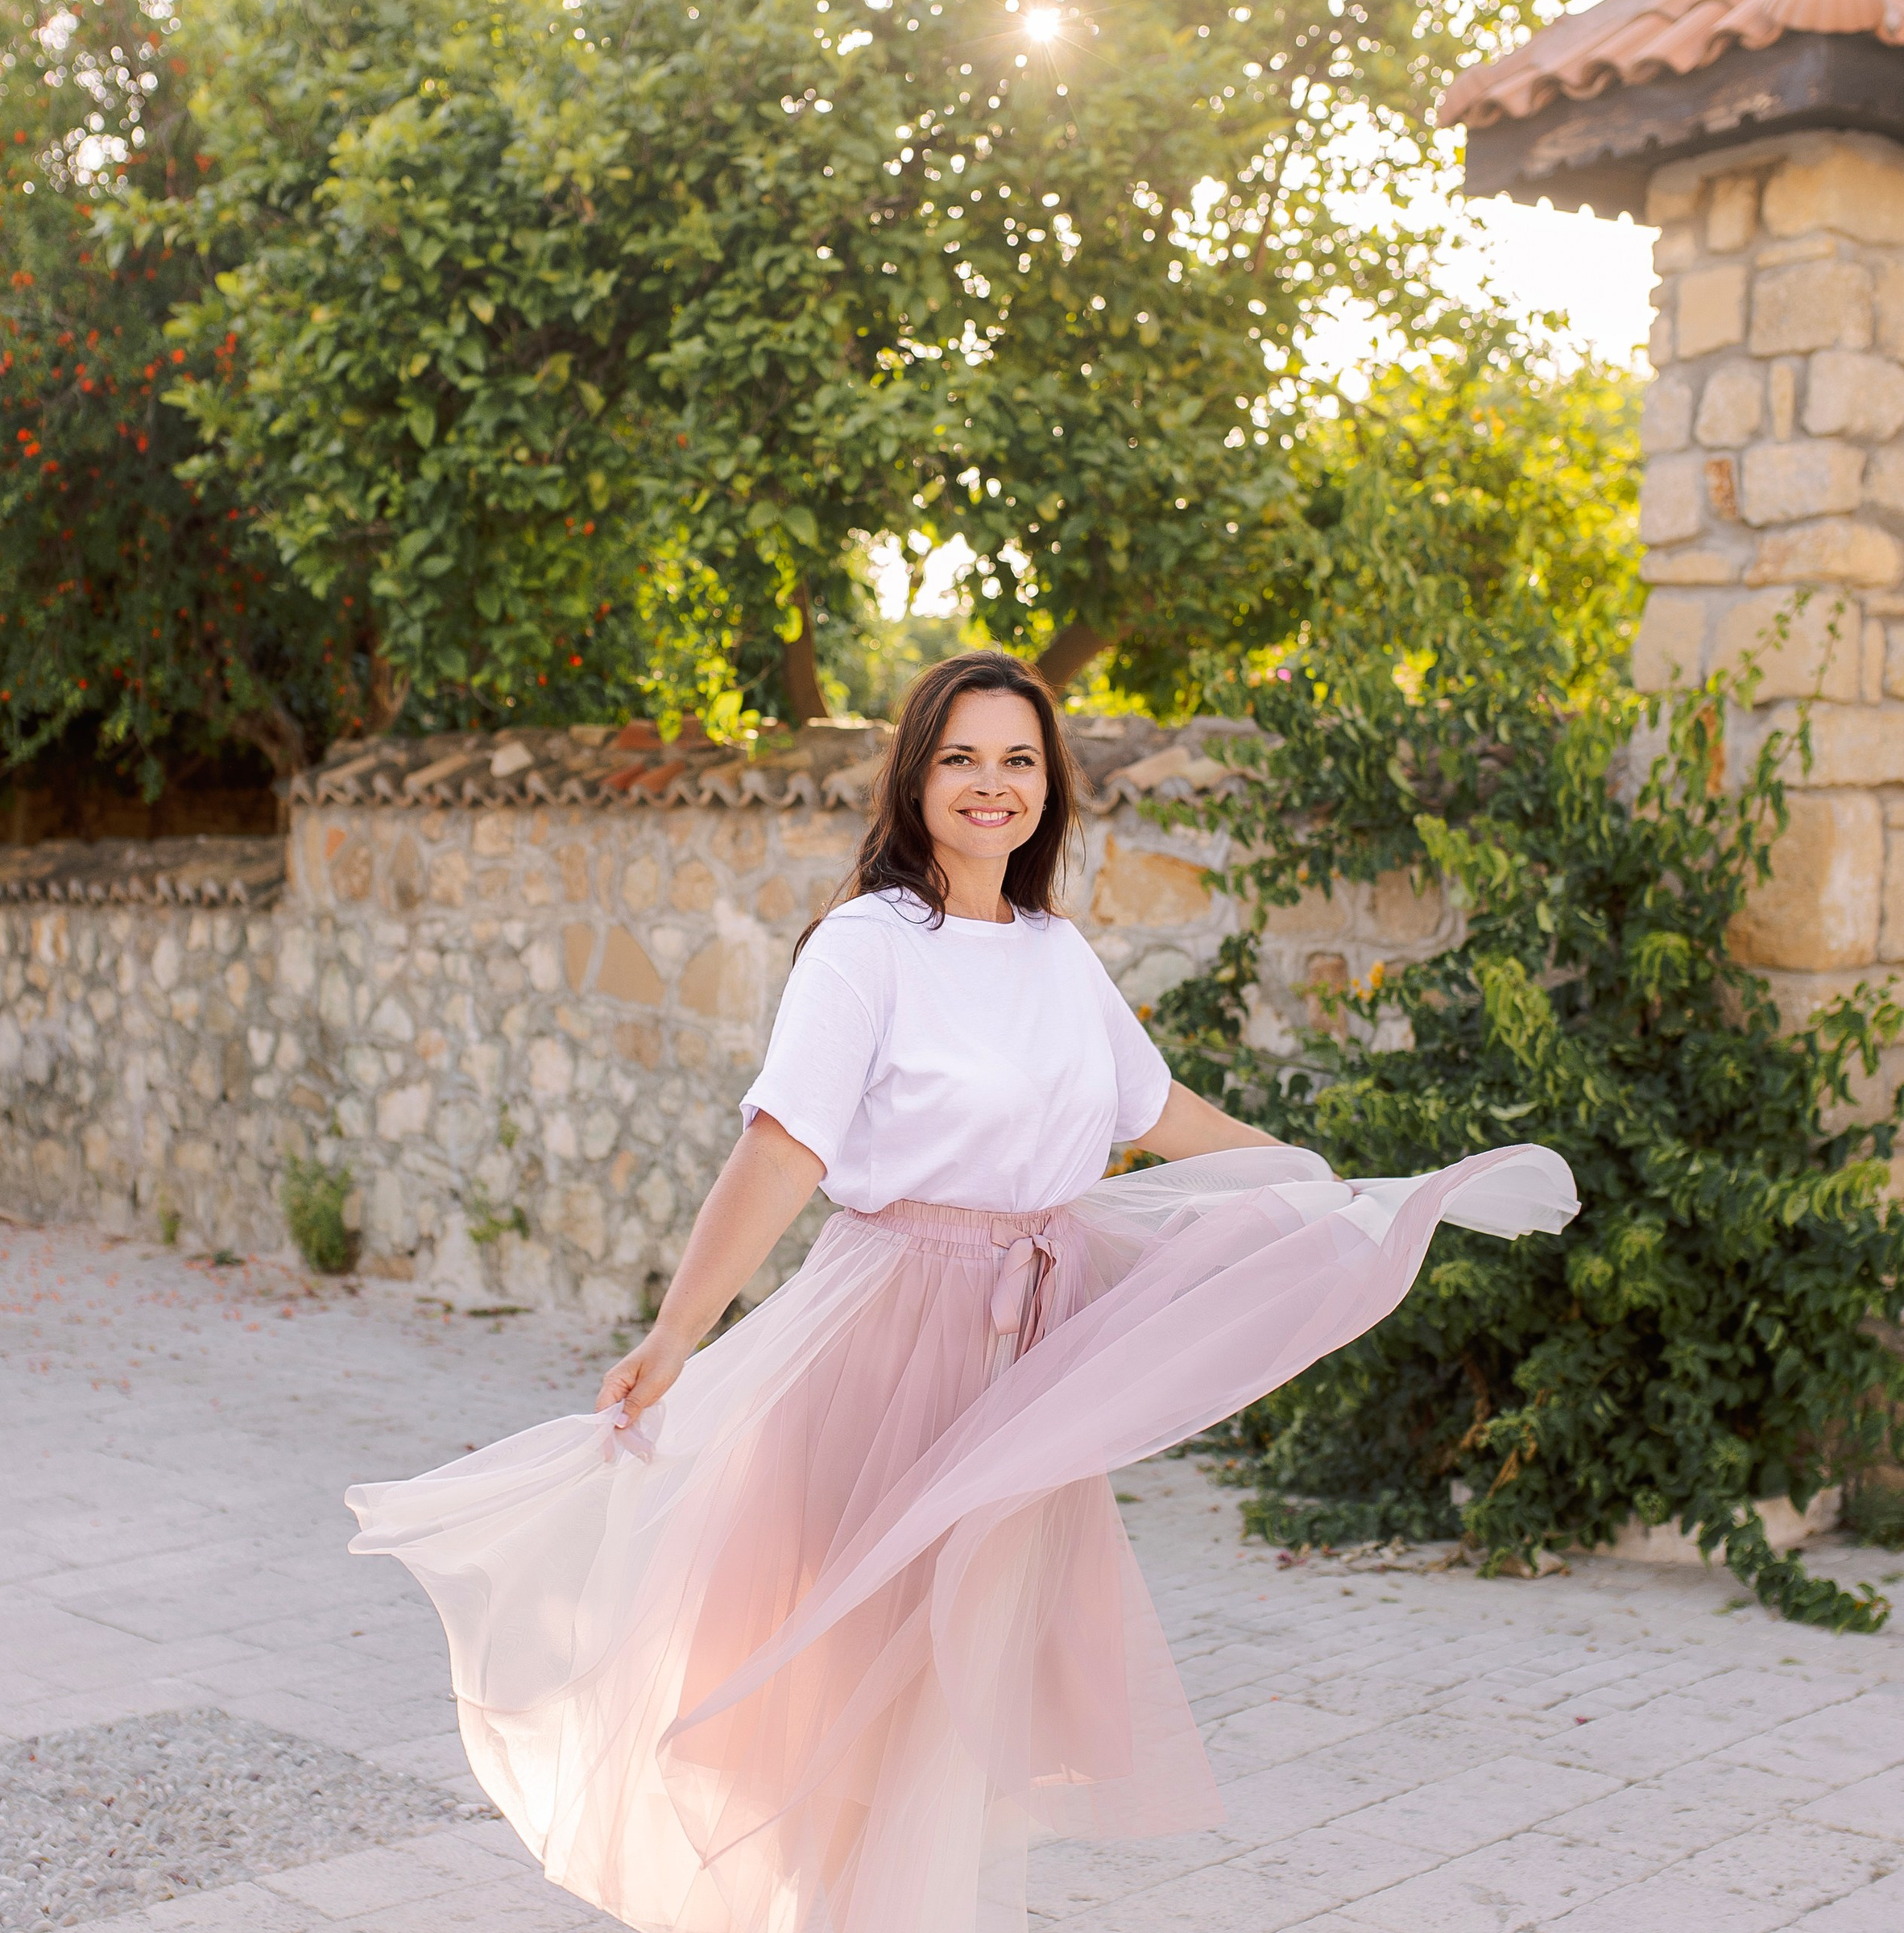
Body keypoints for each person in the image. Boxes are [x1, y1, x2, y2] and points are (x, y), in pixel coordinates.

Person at [348, 649, 1576, 1933]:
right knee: (856, 1684)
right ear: (916, 778)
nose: (993, 785)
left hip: (1023, 1355)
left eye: (1020, 760)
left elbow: (1156, 1111)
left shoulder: (1054, 952)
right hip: (890, 1339)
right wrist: (674, 1336)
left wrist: (1322, 1185)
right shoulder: (866, 948)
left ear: (1050, 785)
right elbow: (782, 1150)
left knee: (951, 1693)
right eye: (962, 758)